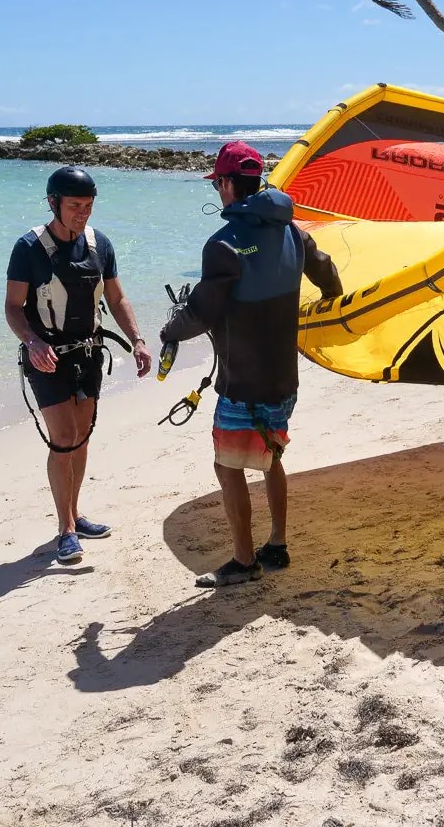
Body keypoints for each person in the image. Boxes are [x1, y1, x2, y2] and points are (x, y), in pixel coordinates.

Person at [160, 141, 343, 588]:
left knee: (228, 466)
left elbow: (201, 312)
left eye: (218, 183)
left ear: (225, 184)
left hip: (243, 380)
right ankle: (277, 544)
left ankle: (244, 562)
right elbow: (327, 273)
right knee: (272, 456)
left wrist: (168, 332)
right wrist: (333, 308)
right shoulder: (294, 232)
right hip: (285, 376)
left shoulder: (223, 244)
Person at [4, 166, 153, 564]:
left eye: (88, 206)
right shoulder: (28, 249)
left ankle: (76, 512)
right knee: (64, 437)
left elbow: (118, 299)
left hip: (87, 354)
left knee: (82, 436)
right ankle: (65, 529)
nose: (82, 213)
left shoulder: (99, 244)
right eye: (74, 206)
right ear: (53, 202)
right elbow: (12, 307)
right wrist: (32, 342)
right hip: (46, 357)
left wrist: (137, 339)